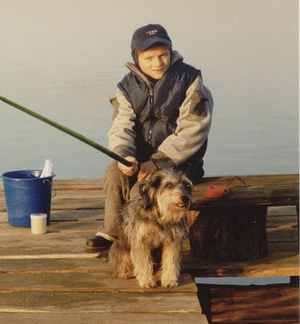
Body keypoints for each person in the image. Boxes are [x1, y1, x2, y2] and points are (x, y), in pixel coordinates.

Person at [85, 24, 213, 252]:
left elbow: (193, 130)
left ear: (171, 52)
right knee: (114, 174)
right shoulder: (126, 86)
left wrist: (158, 161)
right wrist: (124, 154)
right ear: (136, 57)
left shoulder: (190, 79)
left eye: (163, 55)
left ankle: (144, 241)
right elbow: (121, 125)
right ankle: (113, 232)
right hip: (141, 159)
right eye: (149, 57)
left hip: (179, 163)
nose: (158, 62)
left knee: (141, 190)